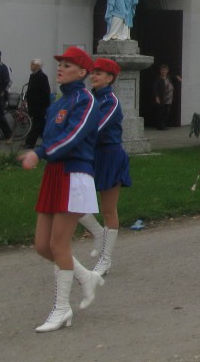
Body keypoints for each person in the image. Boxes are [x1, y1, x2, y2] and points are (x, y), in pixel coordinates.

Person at [18, 46, 103, 333]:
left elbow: (74, 137)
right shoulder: (58, 101)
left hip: (75, 175)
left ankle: (62, 308)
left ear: (82, 72)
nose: (60, 68)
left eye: (67, 65)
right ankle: (86, 276)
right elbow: (53, 133)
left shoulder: (86, 100)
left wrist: (39, 153)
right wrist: (42, 153)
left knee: (58, 245)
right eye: (60, 64)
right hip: (55, 174)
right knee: (43, 245)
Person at [77, 58, 131, 276]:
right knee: (75, 204)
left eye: (99, 73)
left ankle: (105, 260)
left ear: (110, 78)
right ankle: (99, 233)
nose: (94, 76)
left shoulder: (111, 101)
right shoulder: (89, 98)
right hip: (91, 157)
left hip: (110, 156)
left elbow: (95, 128)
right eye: (93, 72)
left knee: (108, 209)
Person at [23, 59, 52, 149]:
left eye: (33, 64)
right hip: (33, 105)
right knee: (41, 125)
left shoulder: (42, 76)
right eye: (31, 64)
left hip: (40, 105)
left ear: (39, 66)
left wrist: (46, 105)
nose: (31, 65)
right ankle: (49, 141)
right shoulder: (32, 76)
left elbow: (46, 92)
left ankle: (30, 142)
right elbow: (30, 90)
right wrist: (26, 98)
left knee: (37, 124)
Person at [152, 63, 175, 130]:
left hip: (169, 99)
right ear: (160, 71)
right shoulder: (158, 79)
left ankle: (164, 125)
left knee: (167, 112)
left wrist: (178, 77)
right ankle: (160, 126)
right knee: (161, 113)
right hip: (162, 98)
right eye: (162, 70)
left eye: (165, 70)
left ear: (167, 71)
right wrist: (156, 97)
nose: (164, 72)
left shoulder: (169, 77)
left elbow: (173, 77)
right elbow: (154, 88)